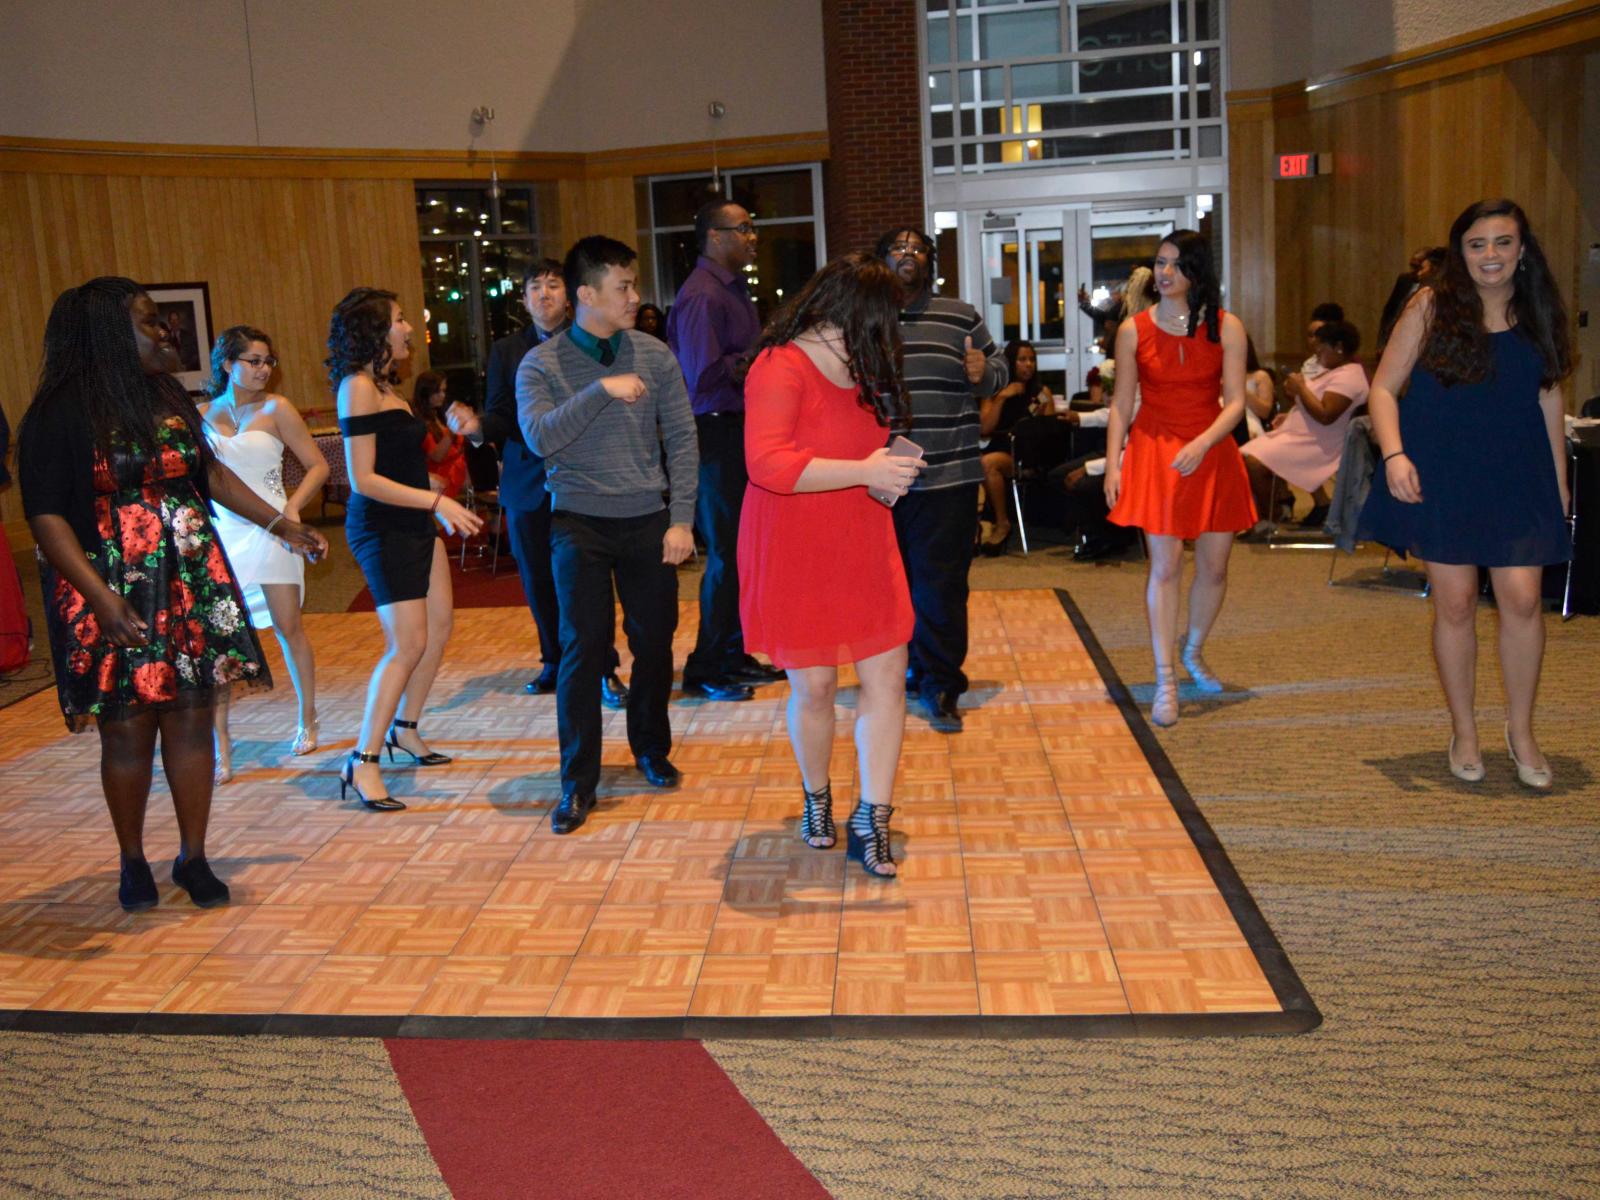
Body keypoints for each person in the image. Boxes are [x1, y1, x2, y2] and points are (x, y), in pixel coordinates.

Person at [18, 277, 326, 911]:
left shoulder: (168, 397)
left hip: (190, 580)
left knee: (190, 718)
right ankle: (133, 861)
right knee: (128, 730)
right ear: (108, 333)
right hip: (109, 585)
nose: (165, 332)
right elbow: (46, 517)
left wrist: (282, 524)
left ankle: (193, 856)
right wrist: (100, 598)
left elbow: (208, 474)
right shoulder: (59, 412)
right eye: (149, 322)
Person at [1356, 199, 1572, 790]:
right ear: (1461, 252)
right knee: (1454, 602)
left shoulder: (1538, 311)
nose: (1490, 256)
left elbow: (1548, 396)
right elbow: (1382, 389)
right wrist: (1395, 454)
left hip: (1517, 474)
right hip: (1445, 471)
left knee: (1523, 600)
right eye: (1477, 245)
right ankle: (1464, 731)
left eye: (1502, 243)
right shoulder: (1430, 305)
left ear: (1522, 250)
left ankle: (1521, 731)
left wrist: (1558, 483)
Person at [740, 253, 918, 878]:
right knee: (814, 688)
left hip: (864, 535)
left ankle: (873, 817)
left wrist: (887, 469)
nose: (891, 333)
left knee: (887, 677)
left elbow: (859, 451)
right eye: (886, 319)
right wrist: (868, 470)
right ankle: (818, 798)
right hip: (795, 543)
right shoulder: (778, 366)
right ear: (852, 313)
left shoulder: (862, 366)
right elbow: (768, 464)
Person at [518, 236, 699, 834]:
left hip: (648, 519)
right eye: (623, 286)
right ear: (586, 295)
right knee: (583, 649)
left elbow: (682, 438)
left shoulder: (654, 354)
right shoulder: (540, 364)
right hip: (579, 523)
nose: (635, 297)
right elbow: (541, 437)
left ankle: (650, 747)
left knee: (655, 643)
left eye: (634, 284)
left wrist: (682, 519)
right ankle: (578, 783)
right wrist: (600, 390)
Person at [448, 259, 627, 709]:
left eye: (553, 285)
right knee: (538, 578)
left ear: (570, 296)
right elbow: (502, 414)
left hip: (585, 479)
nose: (544, 294)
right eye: (535, 287)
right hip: (529, 480)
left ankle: (604, 668)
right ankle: (553, 661)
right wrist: (476, 429)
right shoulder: (508, 350)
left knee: (590, 578)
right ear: (524, 299)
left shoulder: (590, 338)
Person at [331, 287, 483, 813]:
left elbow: (406, 461)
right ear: (374, 330)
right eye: (400, 320)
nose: (409, 330)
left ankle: (407, 729)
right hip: (381, 527)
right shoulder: (356, 387)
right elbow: (363, 479)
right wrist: (436, 500)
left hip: (416, 519)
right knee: (407, 644)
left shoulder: (386, 389)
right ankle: (363, 759)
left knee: (437, 629)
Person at [1104, 231, 1255, 727]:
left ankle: (1193, 651)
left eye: (1174, 263)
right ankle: (1165, 675)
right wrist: (1114, 462)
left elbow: (1236, 402)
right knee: (1165, 567)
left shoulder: (1227, 327)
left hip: (1209, 450)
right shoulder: (1134, 330)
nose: (1164, 272)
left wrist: (1205, 442)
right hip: (1155, 451)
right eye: (1159, 262)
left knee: (1214, 568)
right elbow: (1122, 404)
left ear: (1196, 270)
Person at [879, 225, 1006, 733]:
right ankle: (908, 668)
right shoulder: (864, 319)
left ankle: (942, 683)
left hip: (949, 474)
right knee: (890, 586)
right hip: (880, 478)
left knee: (941, 587)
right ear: (880, 260)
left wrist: (983, 371)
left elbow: (998, 369)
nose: (908, 256)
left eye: (918, 249)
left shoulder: (961, 316)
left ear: (931, 261)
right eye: (898, 249)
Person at [199, 325, 330, 783]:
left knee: (288, 627)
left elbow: (319, 465)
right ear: (227, 364)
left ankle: (307, 716)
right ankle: (222, 743)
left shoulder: (278, 408)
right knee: (218, 641)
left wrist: (292, 511)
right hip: (224, 535)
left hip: (274, 532)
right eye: (254, 360)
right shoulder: (199, 414)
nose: (263, 369)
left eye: (268, 361)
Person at [667, 198, 783, 701]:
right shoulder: (702, 296)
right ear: (715, 236)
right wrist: (758, 358)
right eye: (744, 229)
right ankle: (706, 667)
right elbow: (701, 376)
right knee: (727, 556)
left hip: (736, 431)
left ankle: (733, 654)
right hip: (712, 433)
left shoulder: (730, 290)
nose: (752, 236)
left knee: (745, 553)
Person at [1242, 320, 1367, 532]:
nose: (1316, 353)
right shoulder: (1331, 371)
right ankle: (1272, 514)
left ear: (1338, 348)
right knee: (1244, 456)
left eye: (1321, 348)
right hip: (1301, 436)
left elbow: (1326, 414)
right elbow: (1313, 405)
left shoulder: (1350, 376)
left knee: (1253, 462)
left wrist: (1300, 388)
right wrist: (1289, 414)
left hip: (1321, 445)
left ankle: (1270, 517)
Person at [977, 339, 1053, 555]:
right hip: (1001, 450)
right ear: (1011, 362)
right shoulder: (994, 391)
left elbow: (1051, 435)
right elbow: (984, 428)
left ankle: (1002, 524)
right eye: (1022, 360)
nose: (1028, 364)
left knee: (987, 463)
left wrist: (1039, 421)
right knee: (986, 463)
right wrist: (1001, 398)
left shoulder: (1042, 392)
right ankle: (995, 523)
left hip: (1030, 456)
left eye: (1032, 360)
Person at [1377, 246, 1446, 351]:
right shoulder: (1406, 282)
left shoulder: (1439, 297)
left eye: (1421, 268)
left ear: (1435, 270)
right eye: (1413, 266)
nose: (1418, 273)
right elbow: (1390, 311)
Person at [416, 371, 467, 498]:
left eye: (444, 391)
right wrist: (452, 431)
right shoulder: (420, 422)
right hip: (442, 481)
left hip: (459, 474)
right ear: (425, 393)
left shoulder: (441, 415)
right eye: (437, 392)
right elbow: (437, 456)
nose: (442, 395)